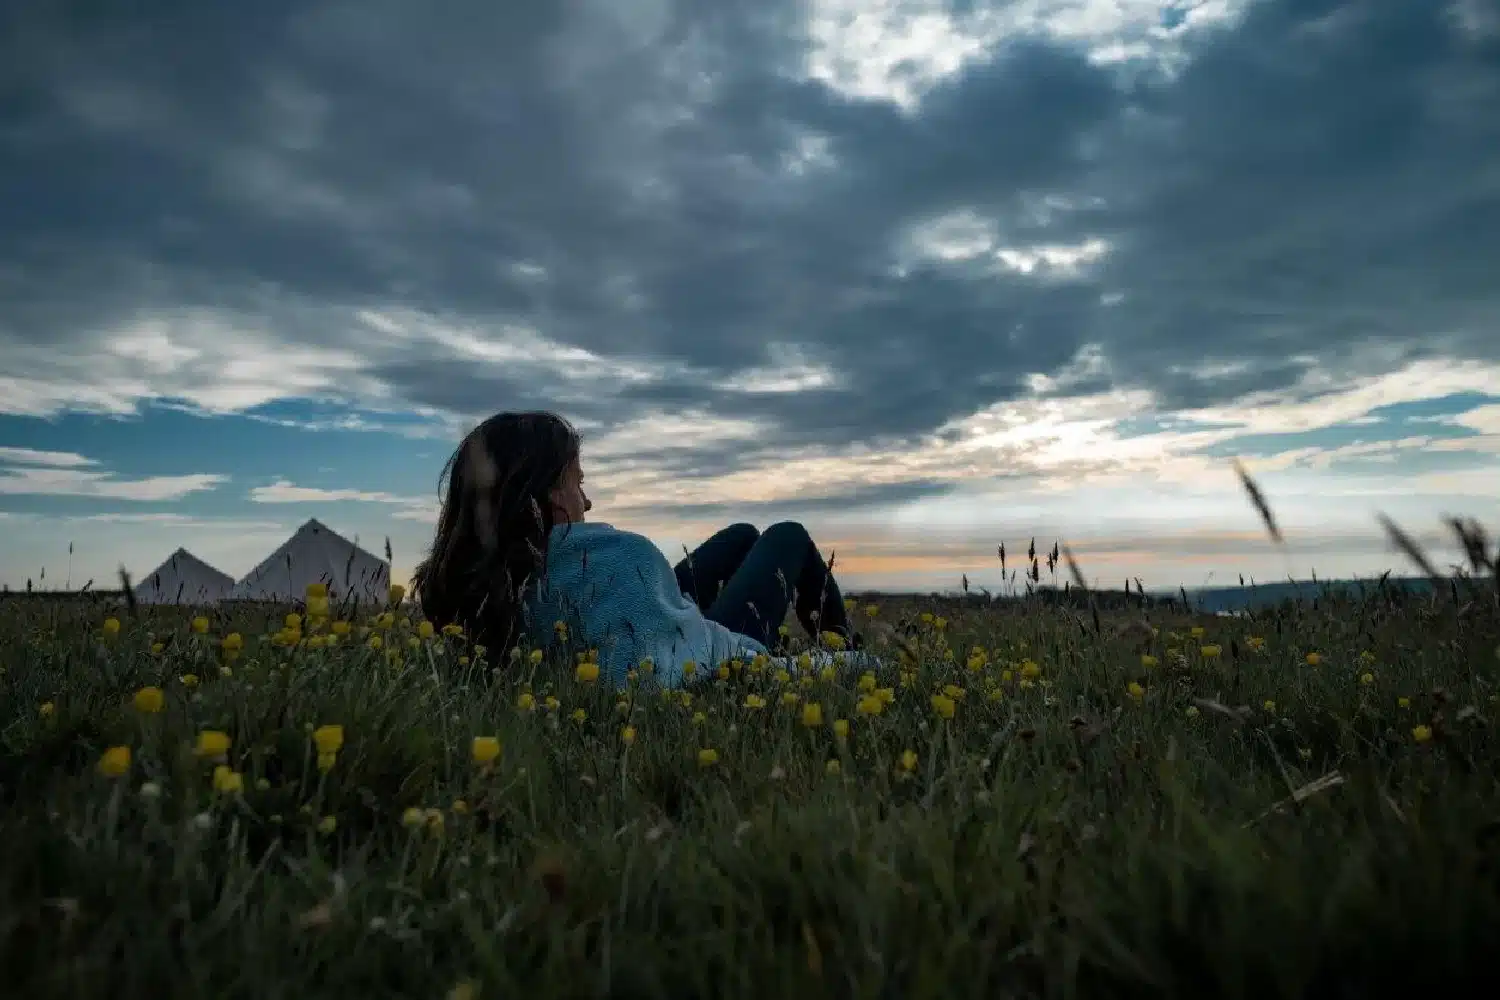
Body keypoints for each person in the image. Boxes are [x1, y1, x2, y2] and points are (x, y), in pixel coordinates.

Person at [411, 411, 871, 687]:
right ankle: (846, 642)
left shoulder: (476, 577)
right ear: (552, 494)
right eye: (579, 484)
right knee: (787, 534)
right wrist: (831, 667)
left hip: (646, 624)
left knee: (742, 535)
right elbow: (662, 663)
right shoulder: (620, 556)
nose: (588, 501)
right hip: (692, 653)